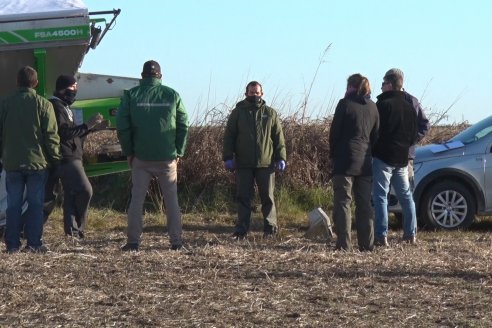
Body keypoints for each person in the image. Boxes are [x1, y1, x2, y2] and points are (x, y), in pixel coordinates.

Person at [116, 60, 189, 251]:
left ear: (142, 76)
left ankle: (133, 242)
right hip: (167, 157)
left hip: (140, 157)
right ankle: (176, 242)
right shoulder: (172, 94)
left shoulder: (131, 95)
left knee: (137, 200)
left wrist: (129, 152)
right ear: (160, 76)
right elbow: (184, 125)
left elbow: (122, 126)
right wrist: (178, 151)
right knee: (171, 200)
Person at [0, 66, 61, 253]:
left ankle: (12, 244)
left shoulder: (5, 104)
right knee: (35, 205)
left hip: (12, 163)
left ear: (17, 82)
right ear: (36, 83)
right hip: (37, 163)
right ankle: (33, 243)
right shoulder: (44, 105)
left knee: (13, 205)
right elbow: (51, 136)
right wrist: (57, 159)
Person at [46, 74, 109, 239]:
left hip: (70, 155)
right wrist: (87, 125)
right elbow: (65, 133)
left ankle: (73, 231)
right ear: (62, 89)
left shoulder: (64, 106)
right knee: (85, 190)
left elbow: (73, 134)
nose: (75, 92)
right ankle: (76, 229)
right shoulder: (57, 107)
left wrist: (91, 128)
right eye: (72, 88)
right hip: (67, 157)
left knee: (71, 193)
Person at [223, 81, 286, 239]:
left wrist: (281, 157)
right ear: (246, 94)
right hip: (244, 163)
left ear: (262, 94)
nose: (254, 95)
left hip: (266, 163)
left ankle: (270, 228)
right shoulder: (238, 113)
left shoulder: (270, 113)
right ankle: (241, 230)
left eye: (257, 92)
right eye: (251, 92)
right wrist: (228, 157)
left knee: (268, 197)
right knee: (243, 197)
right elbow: (229, 136)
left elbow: (278, 138)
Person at [329, 74, 379, 251]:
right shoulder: (373, 107)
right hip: (365, 162)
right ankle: (367, 244)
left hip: (345, 160)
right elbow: (375, 136)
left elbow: (334, 134)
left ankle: (344, 244)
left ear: (350, 86)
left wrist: (333, 155)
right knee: (365, 204)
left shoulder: (345, 104)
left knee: (343, 203)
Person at [372, 71, 418, 246]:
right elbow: (414, 135)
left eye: (383, 83)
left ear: (390, 85)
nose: (381, 86)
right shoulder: (409, 106)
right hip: (402, 159)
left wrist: (375, 149)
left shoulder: (382, 106)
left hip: (383, 157)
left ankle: (381, 235)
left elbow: (374, 132)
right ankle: (410, 233)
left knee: (380, 196)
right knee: (406, 196)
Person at [383, 68, 430, 191]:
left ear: (390, 83)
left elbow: (424, 124)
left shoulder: (411, 101)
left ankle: (407, 210)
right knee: (393, 192)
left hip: (405, 155)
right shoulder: (384, 100)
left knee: (406, 190)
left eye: (384, 82)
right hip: (388, 153)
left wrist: (411, 140)